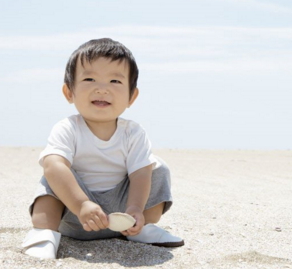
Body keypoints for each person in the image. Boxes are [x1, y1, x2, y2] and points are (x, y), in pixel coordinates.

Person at [22, 38, 184, 259]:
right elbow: (53, 166)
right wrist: (81, 205)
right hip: (75, 212)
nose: (102, 88)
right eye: (89, 79)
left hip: (123, 216)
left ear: (132, 96)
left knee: (156, 167)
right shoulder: (68, 128)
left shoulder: (133, 133)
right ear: (69, 92)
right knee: (54, 171)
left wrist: (135, 208)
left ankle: (141, 229)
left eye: (115, 81)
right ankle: (44, 233)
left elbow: (139, 174)